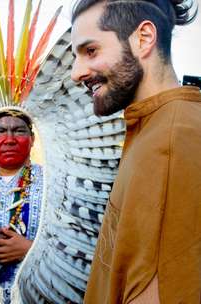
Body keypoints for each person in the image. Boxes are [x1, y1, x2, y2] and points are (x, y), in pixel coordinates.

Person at [70, 0, 201, 303]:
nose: (76, 73)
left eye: (91, 51)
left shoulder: (170, 141)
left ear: (143, 39)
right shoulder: (155, 126)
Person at [0, 109, 43, 304]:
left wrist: (30, 250)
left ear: (32, 139)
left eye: (19, 131)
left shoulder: (53, 181)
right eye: (0, 131)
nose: (9, 139)